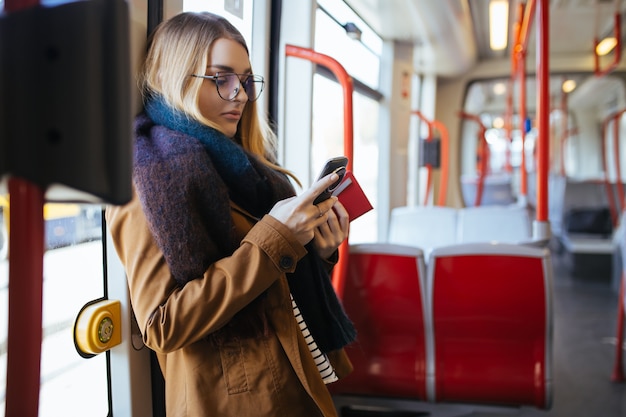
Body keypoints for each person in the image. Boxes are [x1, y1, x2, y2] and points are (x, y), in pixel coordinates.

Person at [105, 11, 356, 417]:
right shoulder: (150, 176)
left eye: (244, 81)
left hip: (297, 373)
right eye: (220, 79)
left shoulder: (251, 169)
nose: (239, 93)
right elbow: (162, 325)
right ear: (177, 77)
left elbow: (274, 287)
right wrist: (276, 237)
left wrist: (320, 249)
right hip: (234, 401)